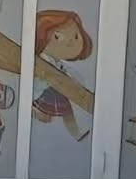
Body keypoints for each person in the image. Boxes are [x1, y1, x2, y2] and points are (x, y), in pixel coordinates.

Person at [29, 9, 94, 141]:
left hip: (61, 92)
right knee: (46, 115)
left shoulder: (58, 62)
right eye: (58, 37)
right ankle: (33, 112)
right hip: (47, 92)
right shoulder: (43, 59)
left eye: (76, 37)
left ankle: (77, 134)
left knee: (68, 114)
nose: (70, 42)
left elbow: (71, 73)